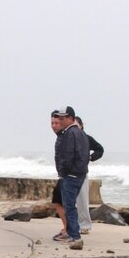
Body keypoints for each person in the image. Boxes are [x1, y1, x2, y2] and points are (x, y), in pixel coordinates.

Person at [50, 106, 90, 249]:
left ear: (71, 118)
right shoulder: (79, 132)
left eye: (63, 118)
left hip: (71, 175)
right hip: (79, 173)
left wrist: (64, 172)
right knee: (70, 205)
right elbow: (85, 155)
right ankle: (73, 234)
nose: (60, 121)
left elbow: (67, 155)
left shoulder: (70, 133)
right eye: (59, 118)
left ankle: (75, 236)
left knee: (69, 206)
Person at [75, 116, 104, 234]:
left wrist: (91, 157)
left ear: (81, 126)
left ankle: (85, 225)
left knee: (82, 200)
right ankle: (70, 225)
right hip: (68, 173)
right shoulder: (67, 138)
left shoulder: (86, 138)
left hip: (82, 172)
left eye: (76, 126)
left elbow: (100, 149)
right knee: (68, 201)